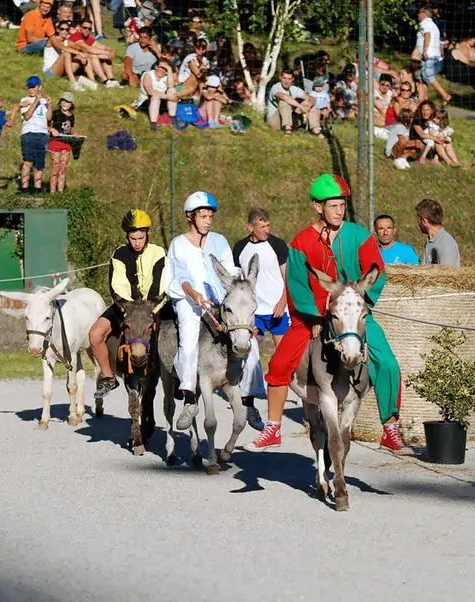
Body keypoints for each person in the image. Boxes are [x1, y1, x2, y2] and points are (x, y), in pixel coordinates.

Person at [248, 174, 412, 455]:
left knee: (387, 362)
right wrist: (312, 317)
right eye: (333, 205)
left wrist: (362, 301)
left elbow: (376, 271)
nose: (339, 210)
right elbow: (297, 282)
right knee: (279, 363)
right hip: (309, 317)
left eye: (342, 205)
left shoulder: (359, 236)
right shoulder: (301, 241)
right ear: (317, 207)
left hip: (353, 313)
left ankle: (390, 428)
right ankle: (273, 427)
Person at [166, 191, 237, 429]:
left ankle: (248, 397)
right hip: (189, 299)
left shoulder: (219, 241)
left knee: (245, 334)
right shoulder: (178, 244)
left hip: (218, 300)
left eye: (210, 216)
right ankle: (188, 396)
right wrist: (193, 294)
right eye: (203, 216)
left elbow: (230, 271)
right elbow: (180, 277)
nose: (207, 220)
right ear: (190, 217)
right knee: (188, 338)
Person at [90, 209, 168, 398]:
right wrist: (129, 308)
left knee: (175, 332)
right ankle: (108, 376)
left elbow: (161, 283)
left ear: (147, 234)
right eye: (133, 238)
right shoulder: (119, 254)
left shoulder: (158, 252)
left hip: (153, 307)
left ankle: (178, 375)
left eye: (141, 237)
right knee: (95, 334)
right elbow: (117, 285)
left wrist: (150, 308)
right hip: (126, 307)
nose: (137, 242)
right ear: (127, 236)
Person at [232, 207, 289, 431]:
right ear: (250, 227)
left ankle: (290, 406)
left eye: (268, 225)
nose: (267, 229)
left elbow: (288, 277)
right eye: (262, 226)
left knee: (285, 359)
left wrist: (283, 301)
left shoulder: (278, 245)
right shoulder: (240, 248)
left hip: (276, 309)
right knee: (249, 356)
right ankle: (250, 405)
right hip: (253, 313)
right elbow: (238, 282)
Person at [11, 76, 52, 194]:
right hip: (29, 133)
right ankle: (24, 188)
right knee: (28, 160)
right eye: (29, 87)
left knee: (39, 163)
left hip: (42, 133)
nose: (30, 90)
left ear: (39, 87)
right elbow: (27, 116)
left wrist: (49, 105)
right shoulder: (25, 100)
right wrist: (35, 101)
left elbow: (49, 118)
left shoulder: (44, 102)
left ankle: (37, 189)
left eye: (33, 87)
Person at [413, 5, 450, 104]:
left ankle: (445, 95)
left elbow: (427, 35)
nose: (417, 14)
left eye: (419, 12)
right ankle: (424, 99)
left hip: (429, 55)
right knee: (421, 77)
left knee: (427, 74)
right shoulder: (432, 24)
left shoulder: (426, 23)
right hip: (430, 55)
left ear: (424, 14)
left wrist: (425, 50)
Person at [416, 198, 460, 266]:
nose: (418, 224)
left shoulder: (446, 243)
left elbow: (446, 273)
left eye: (419, 220)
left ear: (424, 221)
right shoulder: (430, 242)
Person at [47, 91, 76, 193]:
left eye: (68, 102)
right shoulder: (55, 113)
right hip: (55, 142)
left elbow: (71, 129)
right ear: (60, 102)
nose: (65, 103)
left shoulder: (71, 116)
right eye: (63, 101)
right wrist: (51, 130)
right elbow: (45, 124)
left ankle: (60, 192)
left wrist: (74, 134)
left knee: (63, 168)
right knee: (55, 167)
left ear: (72, 104)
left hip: (66, 143)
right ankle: (52, 192)